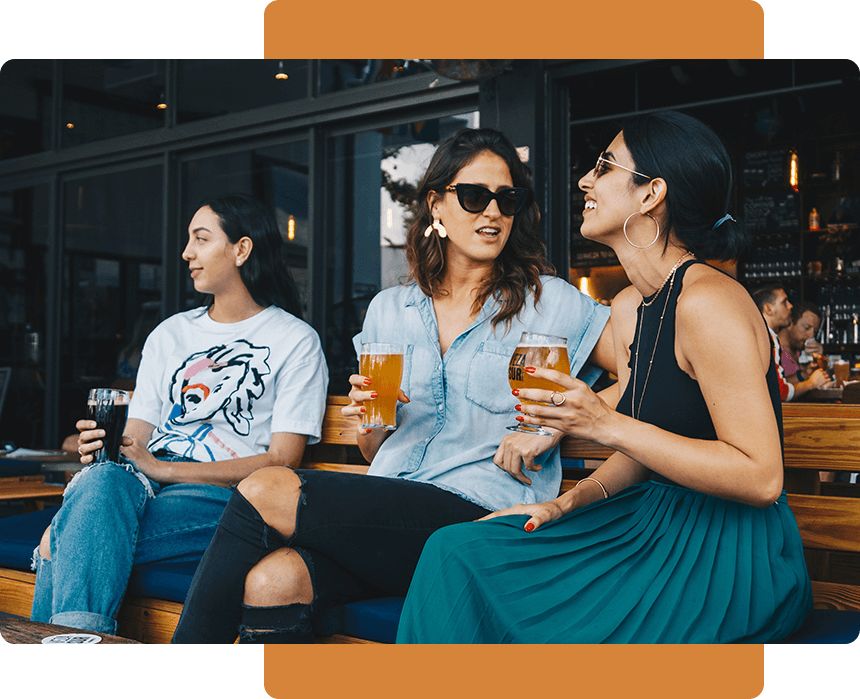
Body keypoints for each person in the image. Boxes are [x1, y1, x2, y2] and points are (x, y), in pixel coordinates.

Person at [170, 127, 615, 643]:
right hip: (391, 508)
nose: (492, 213)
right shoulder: (390, 309)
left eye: (507, 199)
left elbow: (642, 371)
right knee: (274, 580)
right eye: (474, 197)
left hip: (482, 514)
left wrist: (556, 423)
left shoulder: (550, 300)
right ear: (436, 205)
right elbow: (372, 448)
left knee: (266, 487)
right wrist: (369, 418)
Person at [396, 110, 813, 644]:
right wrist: (566, 502)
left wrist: (603, 423)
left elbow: (760, 478)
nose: (584, 181)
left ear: (649, 195)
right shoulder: (629, 307)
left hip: (730, 551)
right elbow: (650, 444)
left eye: (604, 166)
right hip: (650, 522)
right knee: (454, 551)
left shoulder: (709, 303)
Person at [30, 193, 328, 635]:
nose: (186, 252)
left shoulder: (294, 340)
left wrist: (165, 470)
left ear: (241, 250)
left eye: (201, 239)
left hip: (227, 496)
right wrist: (104, 448)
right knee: (101, 480)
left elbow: (283, 461)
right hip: (143, 483)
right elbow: (135, 439)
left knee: (63, 540)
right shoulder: (170, 333)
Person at [751, 284, 800, 401]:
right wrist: (812, 383)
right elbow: (780, 393)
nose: (790, 306)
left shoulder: (755, 333)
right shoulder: (768, 337)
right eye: (784, 302)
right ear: (768, 309)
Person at [778, 300, 832, 397]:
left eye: (815, 331)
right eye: (807, 328)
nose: (811, 335)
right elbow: (775, 388)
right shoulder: (774, 349)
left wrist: (821, 359)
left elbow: (823, 380)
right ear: (790, 323)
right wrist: (804, 375)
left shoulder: (803, 350)